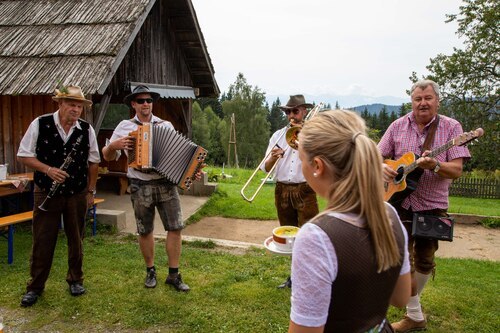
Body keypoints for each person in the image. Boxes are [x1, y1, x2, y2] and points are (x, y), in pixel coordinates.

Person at [289, 109, 411, 332]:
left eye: (301, 160)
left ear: (317, 166)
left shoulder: (316, 237)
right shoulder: (389, 213)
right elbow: (401, 297)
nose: (300, 167)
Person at [378, 79, 471, 332]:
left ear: (437, 100)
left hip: (433, 204)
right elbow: (376, 154)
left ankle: (408, 301)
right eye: (418, 99)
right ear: (412, 101)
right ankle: (414, 313)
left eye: (428, 98)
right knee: (402, 258)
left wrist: (436, 165)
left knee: (425, 262)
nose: (423, 103)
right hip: (400, 202)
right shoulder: (398, 126)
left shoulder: (452, 128)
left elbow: (457, 170)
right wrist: (384, 168)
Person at [102, 85, 196, 292]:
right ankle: (150, 271)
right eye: (141, 100)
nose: (146, 104)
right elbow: (107, 156)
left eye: (149, 100)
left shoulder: (166, 125)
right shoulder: (124, 126)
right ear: (133, 104)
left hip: (165, 183)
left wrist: (188, 171)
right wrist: (112, 147)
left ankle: (174, 274)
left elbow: (177, 155)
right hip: (139, 183)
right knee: (145, 230)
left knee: (175, 228)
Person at [17, 85, 100, 307]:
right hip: (46, 191)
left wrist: (90, 191)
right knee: (43, 240)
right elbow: (24, 155)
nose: (76, 109)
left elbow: (94, 162)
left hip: (77, 192)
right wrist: (48, 169)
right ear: (60, 103)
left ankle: (75, 279)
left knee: (76, 238)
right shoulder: (40, 123)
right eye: (71, 104)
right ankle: (35, 286)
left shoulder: (86, 129)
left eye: (79, 106)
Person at [262, 95, 319, 288]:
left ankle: (309, 278)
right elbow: (265, 167)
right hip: (282, 190)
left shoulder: (313, 135)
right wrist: (273, 158)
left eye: (295, 111)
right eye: (288, 111)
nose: (291, 115)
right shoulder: (278, 136)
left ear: (304, 111)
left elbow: (320, 164)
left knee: (307, 236)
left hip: (305, 189)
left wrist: (305, 142)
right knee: (289, 238)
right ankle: (294, 278)